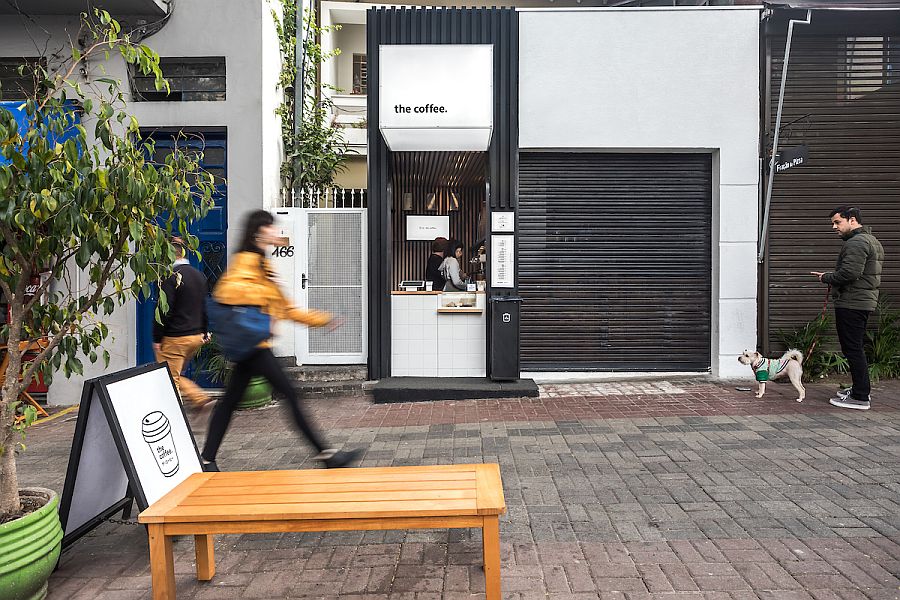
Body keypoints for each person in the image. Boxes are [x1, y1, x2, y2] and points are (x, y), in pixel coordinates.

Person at [201, 210, 361, 471]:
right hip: (254, 345)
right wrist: (261, 303)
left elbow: (287, 309)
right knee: (289, 393)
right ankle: (327, 455)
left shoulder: (263, 265)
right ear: (259, 232)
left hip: (254, 345)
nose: (276, 232)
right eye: (271, 228)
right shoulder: (246, 262)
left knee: (230, 401)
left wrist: (324, 320)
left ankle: (207, 459)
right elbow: (226, 292)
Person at [811, 205, 884, 410]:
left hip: (852, 303)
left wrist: (826, 278)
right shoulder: (870, 240)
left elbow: (850, 274)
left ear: (852, 220)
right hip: (860, 302)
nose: (834, 227)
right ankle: (859, 389)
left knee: (853, 349)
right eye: (833, 223)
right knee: (855, 348)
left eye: (837, 222)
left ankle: (860, 396)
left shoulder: (857, 242)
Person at [153, 237, 211, 409]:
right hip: (195, 337)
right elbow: (204, 306)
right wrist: (205, 331)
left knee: (170, 380)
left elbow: (165, 310)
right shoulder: (198, 275)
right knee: (175, 374)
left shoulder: (171, 277)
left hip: (175, 338)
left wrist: (157, 338)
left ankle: (177, 419)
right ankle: (200, 398)